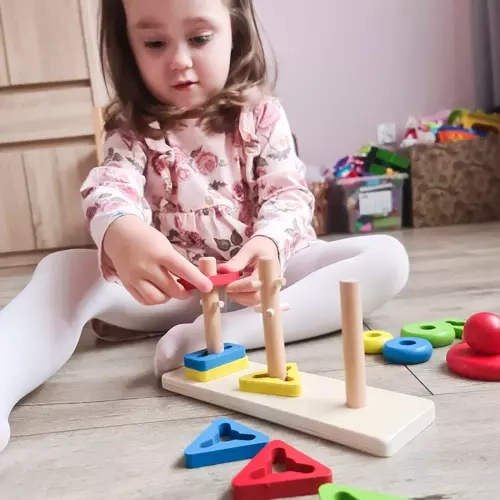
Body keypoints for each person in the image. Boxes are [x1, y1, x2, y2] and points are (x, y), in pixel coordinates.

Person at [0, 0, 409, 453]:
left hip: (265, 287)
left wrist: (268, 244)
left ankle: (222, 339)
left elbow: (289, 194)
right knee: (61, 271)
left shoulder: (262, 116)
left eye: (199, 38)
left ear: (234, 29)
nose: (178, 60)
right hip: (173, 290)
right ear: (127, 45)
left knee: (386, 257)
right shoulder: (131, 130)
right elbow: (110, 187)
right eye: (154, 42)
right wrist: (121, 229)